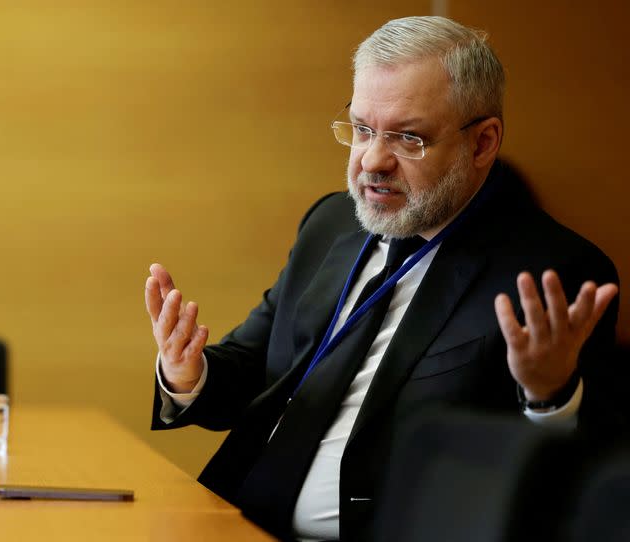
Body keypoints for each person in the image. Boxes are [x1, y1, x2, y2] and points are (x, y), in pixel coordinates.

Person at [144, 15, 622, 541]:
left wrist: (548, 395)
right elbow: (253, 371)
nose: (372, 159)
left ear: (483, 143)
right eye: (363, 129)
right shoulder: (329, 224)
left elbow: (570, 484)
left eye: (408, 139)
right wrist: (187, 372)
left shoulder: (553, 272)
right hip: (232, 523)